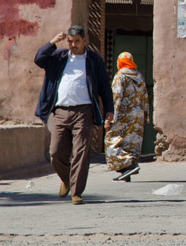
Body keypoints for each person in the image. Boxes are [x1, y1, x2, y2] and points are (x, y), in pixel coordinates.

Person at [34, 25, 114, 205]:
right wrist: (53, 42)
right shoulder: (59, 57)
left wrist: (109, 109)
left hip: (84, 112)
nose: (73, 45)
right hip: (60, 111)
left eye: (77, 41)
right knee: (55, 152)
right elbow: (39, 59)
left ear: (85, 41)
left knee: (81, 152)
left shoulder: (93, 60)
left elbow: (104, 86)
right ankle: (67, 179)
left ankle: (76, 192)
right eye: (70, 41)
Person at [105, 51, 149, 182]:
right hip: (137, 116)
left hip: (123, 115)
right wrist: (145, 115)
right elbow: (145, 97)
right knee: (131, 143)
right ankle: (126, 171)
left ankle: (129, 165)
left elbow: (116, 97)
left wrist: (111, 117)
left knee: (112, 141)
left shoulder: (120, 76)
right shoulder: (139, 76)